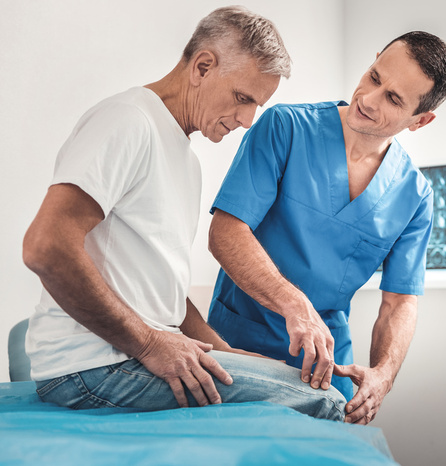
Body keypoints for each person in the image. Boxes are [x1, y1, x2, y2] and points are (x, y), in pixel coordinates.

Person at [21, 6, 345, 422]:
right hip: (92, 366)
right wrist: (150, 345)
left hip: (122, 357)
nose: (247, 120)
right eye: (243, 98)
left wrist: (225, 353)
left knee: (293, 379)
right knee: (326, 401)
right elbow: (46, 247)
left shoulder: (186, 160)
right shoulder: (128, 120)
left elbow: (162, 296)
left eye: (257, 107)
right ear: (203, 66)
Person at [207, 31, 446, 424]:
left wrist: (383, 375)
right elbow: (226, 232)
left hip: (324, 364)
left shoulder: (414, 195)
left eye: (393, 99)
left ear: (421, 120)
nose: (368, 99)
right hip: (239, 343)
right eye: (375, 77)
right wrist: (296, 306)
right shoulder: (285, 128)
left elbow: (400, 301)